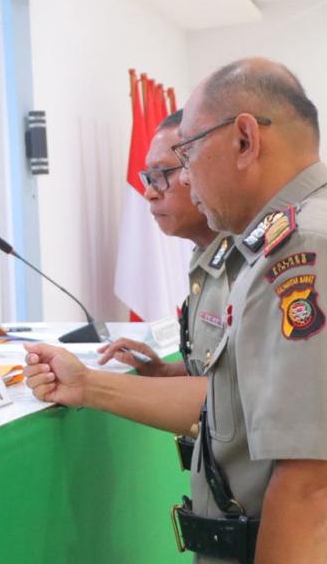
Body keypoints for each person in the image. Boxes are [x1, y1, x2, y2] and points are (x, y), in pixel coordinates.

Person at [24, 59, 327, 564]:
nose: (182, 176)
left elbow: (317, 484)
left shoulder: (308, 251)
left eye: (186, 153)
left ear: (245, 139)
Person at [98, 109, 244, 380]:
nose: (149, 193)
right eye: (148, 178)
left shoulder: (247, 265)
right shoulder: (206, 256)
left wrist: (91, 385)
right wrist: (163, 371)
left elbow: (230, 398)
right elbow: (215, 376)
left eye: (162, 174)